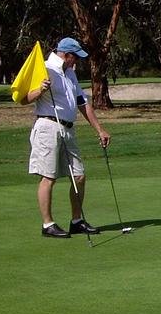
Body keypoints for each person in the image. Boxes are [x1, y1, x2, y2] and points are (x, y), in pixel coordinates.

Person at [24, 37, 111, 238]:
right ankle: (48, 225)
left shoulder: (70, 73)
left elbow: (82, 103)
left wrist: (100, 130)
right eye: (75, 57)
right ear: (66, 55)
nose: (77, 61)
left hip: (68, 129)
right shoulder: (44, 68)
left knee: (79, 176)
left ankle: (77, 221)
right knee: (49, 177)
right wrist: (40, 90)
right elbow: (22, 98)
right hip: (48, 127)